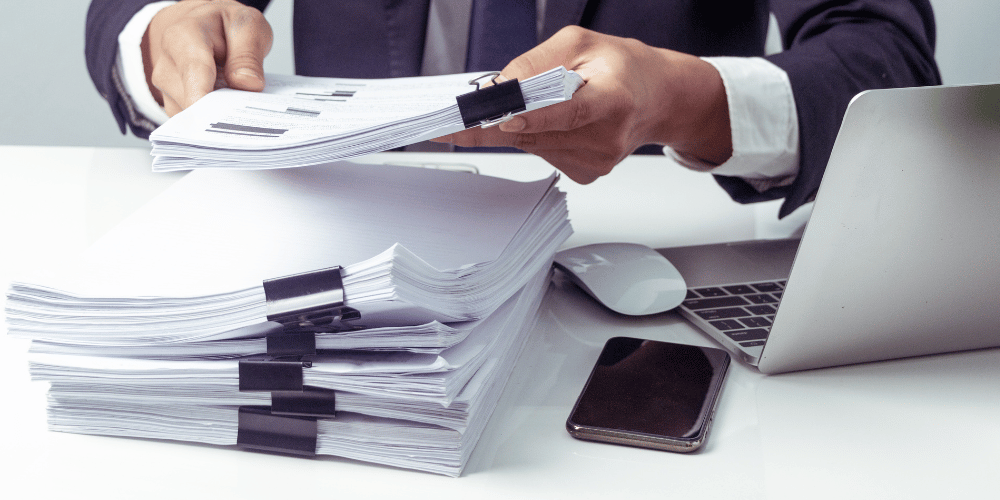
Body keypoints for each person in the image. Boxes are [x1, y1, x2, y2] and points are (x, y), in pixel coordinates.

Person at [85, 0, 940, 217]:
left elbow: (884, 53)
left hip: (638, 282)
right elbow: (131, 16)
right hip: (341, 253)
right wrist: (163, 30)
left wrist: (689, 100)